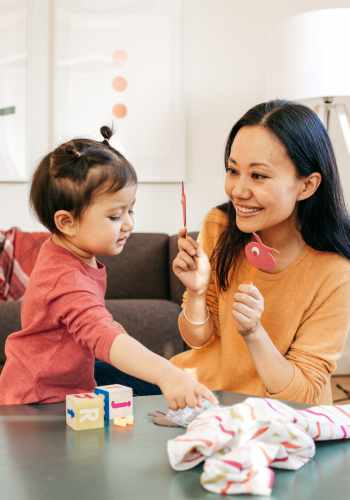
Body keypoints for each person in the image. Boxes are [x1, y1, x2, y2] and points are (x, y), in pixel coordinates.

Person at [0, 126, 217, 409]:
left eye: (131, 210)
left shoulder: (66, 249)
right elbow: (104, 335)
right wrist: (167, 375)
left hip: (65, 387)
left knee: (140, 380)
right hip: (37, 403)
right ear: (66, 222)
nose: (128, 224)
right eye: (115, 215)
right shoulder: (65, 279)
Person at [171, 100, 350, 405]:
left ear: (307, 185)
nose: (238, 191)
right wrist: (197, 293)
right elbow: (197, 338)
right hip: (206, 400)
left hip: (285, 419)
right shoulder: (220, 226)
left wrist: (254, 332)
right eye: (232, 170)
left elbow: (304, 393)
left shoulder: (336, 269)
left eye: (258, 176)